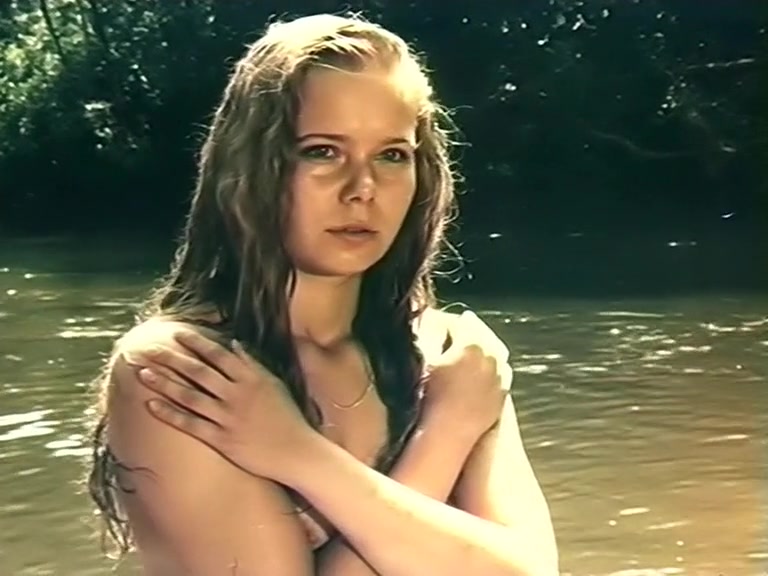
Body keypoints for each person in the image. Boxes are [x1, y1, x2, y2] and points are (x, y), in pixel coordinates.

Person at [86, 12, 558, 576]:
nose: (363, 189)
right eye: (322, 151)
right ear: (251, 166)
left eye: (392, 155)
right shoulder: (185, 371)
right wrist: (444, 434)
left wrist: (306, 454)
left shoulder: (452, 358)